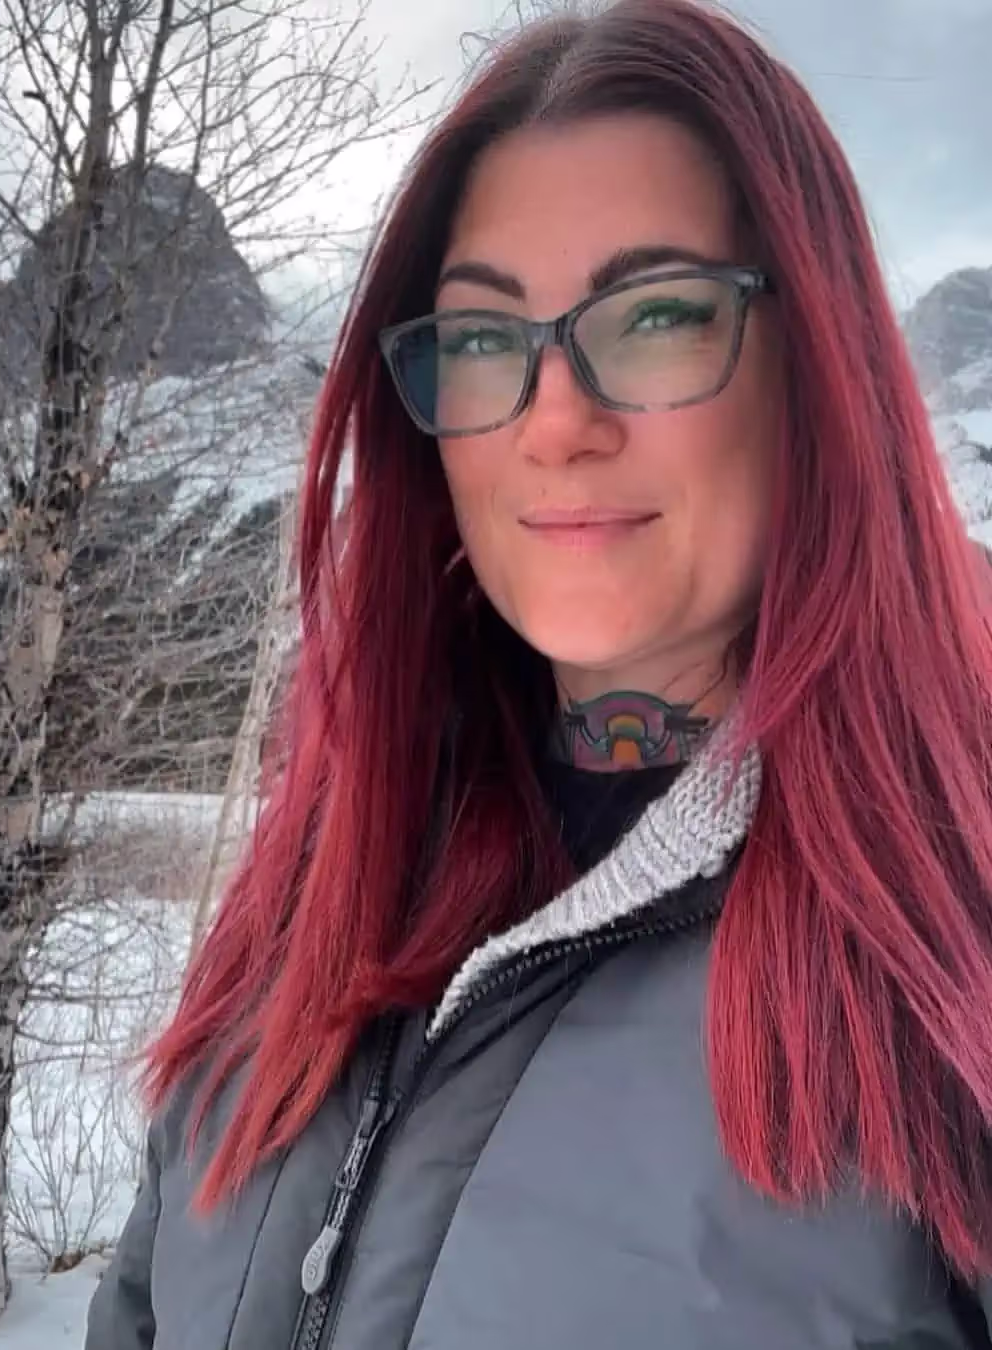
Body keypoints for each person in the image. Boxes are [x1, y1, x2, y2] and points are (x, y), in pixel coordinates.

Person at [86, 1, 992, 1346]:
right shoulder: (321, 888)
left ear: (818, 371)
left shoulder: (952, 934)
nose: (556, 421)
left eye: (659, 315)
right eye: (480, 337)